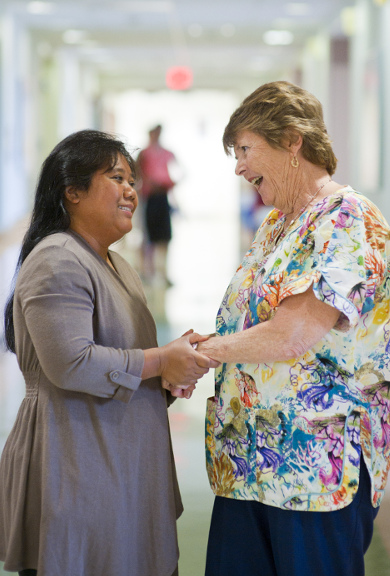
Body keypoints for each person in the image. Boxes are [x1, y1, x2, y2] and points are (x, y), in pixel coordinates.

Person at [0, 130, 216, 576]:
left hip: (123, 462)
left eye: (133, 181)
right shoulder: (57, 259)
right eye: (116, 177)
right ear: (72, 191)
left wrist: (168, 375)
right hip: (77, 464)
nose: (131, 191)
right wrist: (159, 360)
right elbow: (72, 363)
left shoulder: (115, 263)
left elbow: (127, 358)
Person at [198, 81, 390, 576]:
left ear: (290, 140)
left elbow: (293, 334)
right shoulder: (278, 223)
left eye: (244, 149)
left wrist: (203, 354)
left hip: (313, 472)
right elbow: (251, 320)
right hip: (248, 461)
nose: (238, 166)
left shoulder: (348, 218)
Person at [137, 125, 177, 285]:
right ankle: (147, 271)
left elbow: (177, 171)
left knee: (165, 237)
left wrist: (169, 183)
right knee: (149, 237)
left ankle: (163, 272)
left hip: (162, 197)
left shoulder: (167, 153)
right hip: (149, 198)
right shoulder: (144, 154)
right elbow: (139, 174)